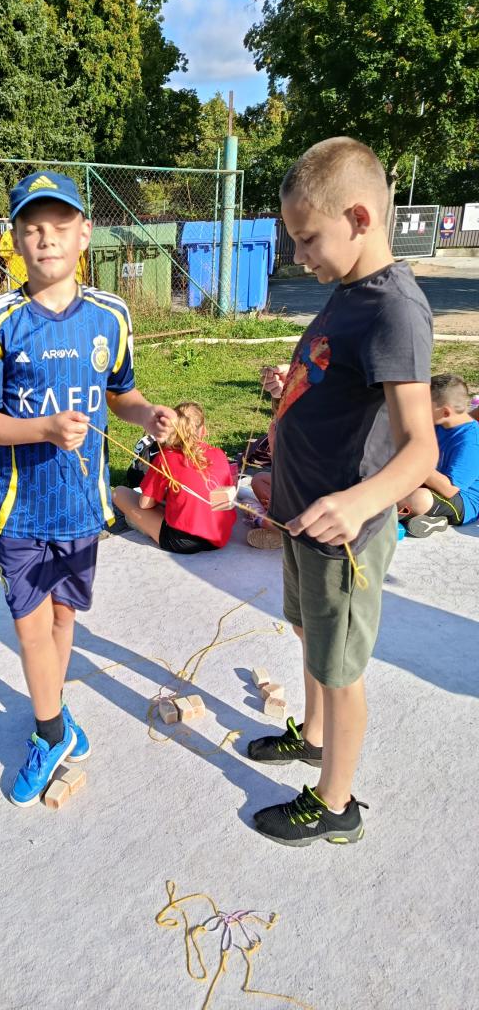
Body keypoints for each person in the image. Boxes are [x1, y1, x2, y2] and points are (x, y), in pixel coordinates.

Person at [0, 170, 175, 808]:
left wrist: (148, 415)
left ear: (84, 234)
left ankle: (53, 711)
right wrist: (43, 429)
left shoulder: (111, 315)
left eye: (59, 226)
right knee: (30, 629)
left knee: (63, 619)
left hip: (83, 507)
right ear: (15, 239)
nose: (46, 239)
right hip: (22, 509)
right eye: (32, 228)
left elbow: (122, 393)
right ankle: (50, 731)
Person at [246, 137, 437, 847]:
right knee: (309, 635)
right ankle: (315, 736)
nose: (299, 256)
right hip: (304, 516)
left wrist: (358, 503)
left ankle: (336, 803)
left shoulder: (396, 309)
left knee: (341, 666)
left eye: (307, 239)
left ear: (358, 218)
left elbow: (420, 447)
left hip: (343, 532)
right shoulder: (350, 293)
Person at [112, 401, 236, 553]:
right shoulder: (219, 453)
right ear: (203, 430)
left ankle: (144, 525)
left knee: (119, 493)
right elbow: (223, 501)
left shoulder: (165, 457)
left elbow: (144, 504)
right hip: (220, 535)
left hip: (183, 541)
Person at [398, 373, 479, 536]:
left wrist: (417, 463)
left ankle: (416, 514)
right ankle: (431, 519)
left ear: (445, 412)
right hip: (433, 486)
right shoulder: (439, 424)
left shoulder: (470, 441)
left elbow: (449, 490)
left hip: (463, 502)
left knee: (418, 499)